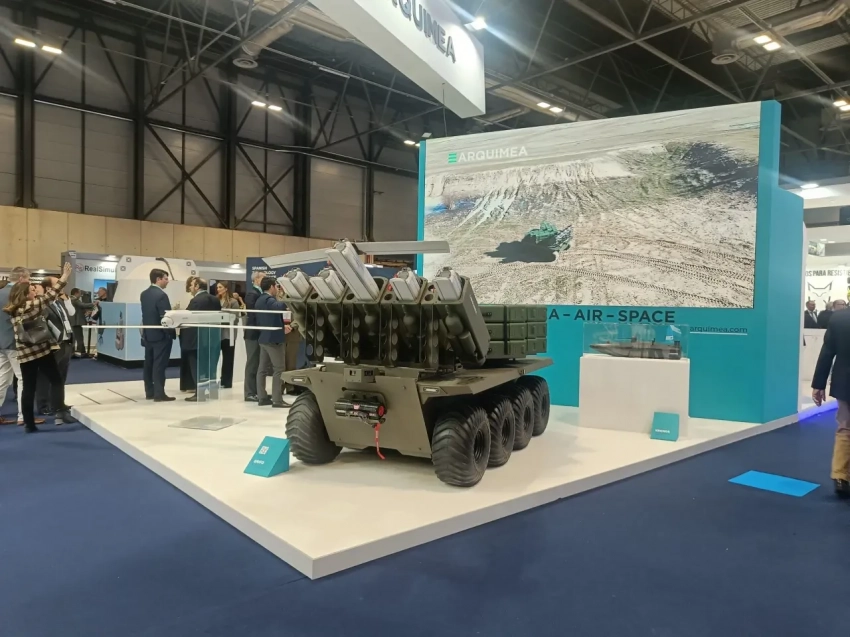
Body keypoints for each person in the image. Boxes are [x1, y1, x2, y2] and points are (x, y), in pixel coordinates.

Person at [2, 263, 75, 432]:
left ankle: (29, 424)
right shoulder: (31, 307)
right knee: (56, 380)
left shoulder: (13, 310)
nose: (34, 291)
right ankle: (59, 410)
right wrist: (64, 277)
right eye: (31, 290)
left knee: (28, 388)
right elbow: (51, 295)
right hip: (41, 351)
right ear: (25, 294)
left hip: (24, 355)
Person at [812, 300, 850, 498]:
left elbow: (827, 353)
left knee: (845, 427)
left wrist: (818, 384)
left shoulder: (839, 318)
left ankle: (840, 476)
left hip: (845, 383)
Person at [34, 276, 75, 417]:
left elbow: (70, 315)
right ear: (48, 288)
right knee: (45, 376)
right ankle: (43, 405)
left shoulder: (59, 302)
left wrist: (67, 299)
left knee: (61, 376)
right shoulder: (43, 304)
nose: (62, 286)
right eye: (58, 284)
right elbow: (41, 326)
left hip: (66, 343)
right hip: (52, 346)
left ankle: (58, 403)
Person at [0, 268, 34, 426]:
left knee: (2, 379)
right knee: (23, 379)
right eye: (28, 279)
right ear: (21, 278)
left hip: (1, 343)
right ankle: (23, 416)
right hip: (15, 344)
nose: (29, 283)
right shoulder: (17, 295)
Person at [181, 277, 221, 402]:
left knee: (197, 367)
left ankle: (200, 394)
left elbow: (189, 319)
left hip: (196, 339)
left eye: (192, 285)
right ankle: (213, 392)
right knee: (211, 366)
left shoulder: (196, 301)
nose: (190, 288)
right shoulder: (215, 299)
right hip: (212, 338)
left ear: (197, 286)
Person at [255, 276, 293, 408]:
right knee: (279, 369)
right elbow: (280, 306)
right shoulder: (269, 299)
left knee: (262, 369)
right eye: (276, 286)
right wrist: (287, 295)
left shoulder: (259, 300)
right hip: (274, 340)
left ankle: (262, 397)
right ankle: (277, 399)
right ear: (271, 286)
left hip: (264, 338)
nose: (277, 289)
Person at [141, 268, 176, 402]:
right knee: (159, 365)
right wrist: (170, 333)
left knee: (148, 364)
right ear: (158, 279)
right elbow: (165, 317)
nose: (168, 281)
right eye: (166, 278)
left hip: (148, 335)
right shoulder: (162, 295)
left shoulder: (144, 294)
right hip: (161, 336)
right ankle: (159, 394)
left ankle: (149, 392)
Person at [243, 272, 264, 403]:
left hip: (260, 333)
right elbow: (253, 313)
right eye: (263, 277)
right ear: (256, 279)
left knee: (259, 363)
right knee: (252, 362)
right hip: (253, 334)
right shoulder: (252, 294)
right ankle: (249, 392)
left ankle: (258, 391)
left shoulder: (261, 293)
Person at [215, 282, 241, 389]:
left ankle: (226, 382)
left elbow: (235, 318)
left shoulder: (233, 302)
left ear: (226, 288)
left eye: (220, 287)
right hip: (216, 334)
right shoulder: (215, 301)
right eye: (217, 287)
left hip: (229, 334)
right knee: (214, 358)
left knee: (228, 359)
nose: (218, 289)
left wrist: (222, 320)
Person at [70, 288, 95, 357]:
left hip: (73, 321)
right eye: (80, 293)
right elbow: (82, 305)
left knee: (75, 338)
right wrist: (93, 304)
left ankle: (75, 352)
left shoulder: (70, 300)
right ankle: (82, 352)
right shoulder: (74, 300)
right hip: (76, 322)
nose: (81, 295)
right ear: (76, 293)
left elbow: (79, 308)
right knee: (79, 337)